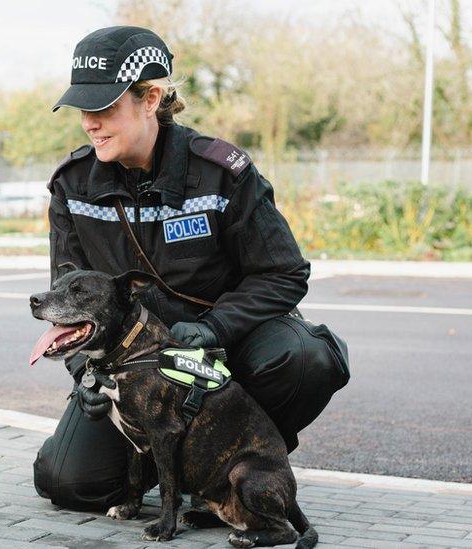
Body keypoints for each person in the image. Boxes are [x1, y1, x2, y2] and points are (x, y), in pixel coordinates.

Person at [33, 26, 348, 512]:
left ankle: (230, 474)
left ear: (151, 98)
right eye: (83, 111)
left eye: (104, 108)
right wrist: (85, 373)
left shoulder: (223, 173)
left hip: (221, 350)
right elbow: (68, 297)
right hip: (131, 366)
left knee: (305, 358)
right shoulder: (72, 185)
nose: (90, 124)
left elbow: (284, 274)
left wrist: (214, 327)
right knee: (68, 483)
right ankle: (173, 470)